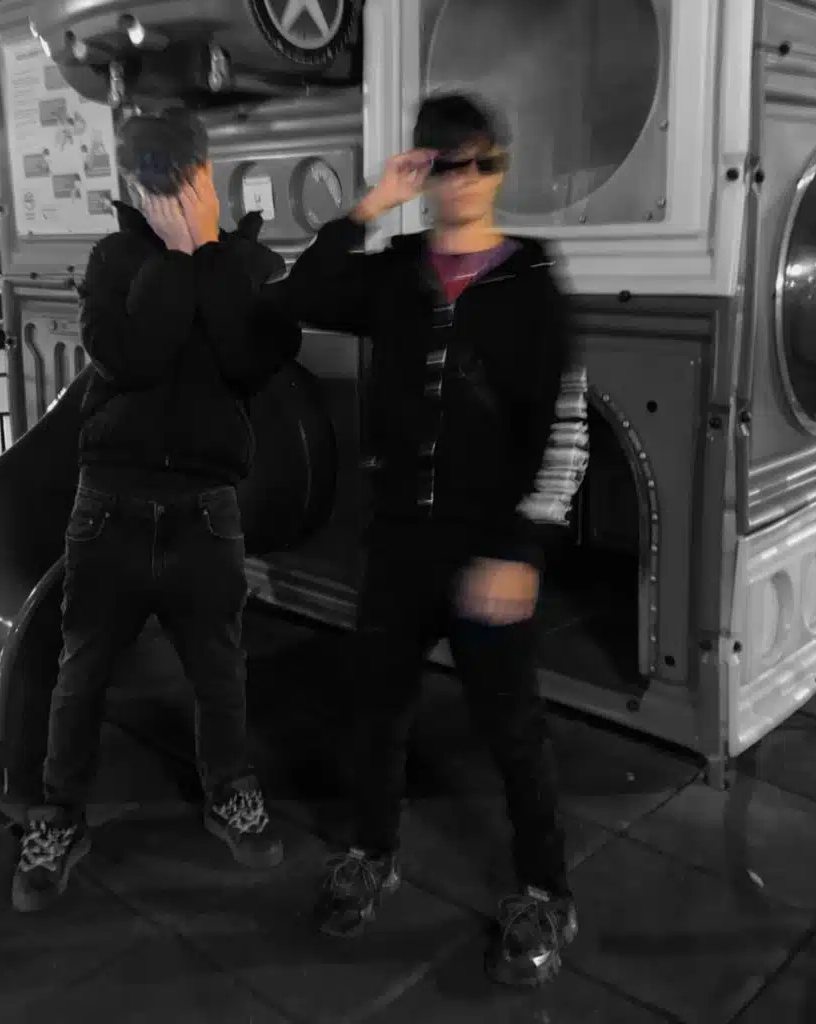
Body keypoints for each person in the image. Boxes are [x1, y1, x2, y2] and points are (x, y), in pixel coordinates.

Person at [275, 92, 589, 986]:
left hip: (488, 547)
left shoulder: (531, 281)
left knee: (512, 730)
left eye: (484, 161)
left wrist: (521, 548)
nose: (467, 179)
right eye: (447, 163)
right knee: (376, 712)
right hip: (400, 544)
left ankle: (546, 890)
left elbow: (563, 424)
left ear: (501, 168)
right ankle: (372, 853)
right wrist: (373, 205)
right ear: (424, 169)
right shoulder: (396, 272)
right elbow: (297, 296)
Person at [11, 110, 301, 913]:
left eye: (181, 178)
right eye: (152, 184)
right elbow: (131, 357)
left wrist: (207, 255)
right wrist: (176, 259)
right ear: (134, 186)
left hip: (205, 509)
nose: (167, 196)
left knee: (219, 672)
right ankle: (59, 816)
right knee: (81, 673)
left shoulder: (248, 263)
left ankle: (229, 792)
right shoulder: (114, 259)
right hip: (108, 503)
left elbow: (248, 362)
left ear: (207, 173)